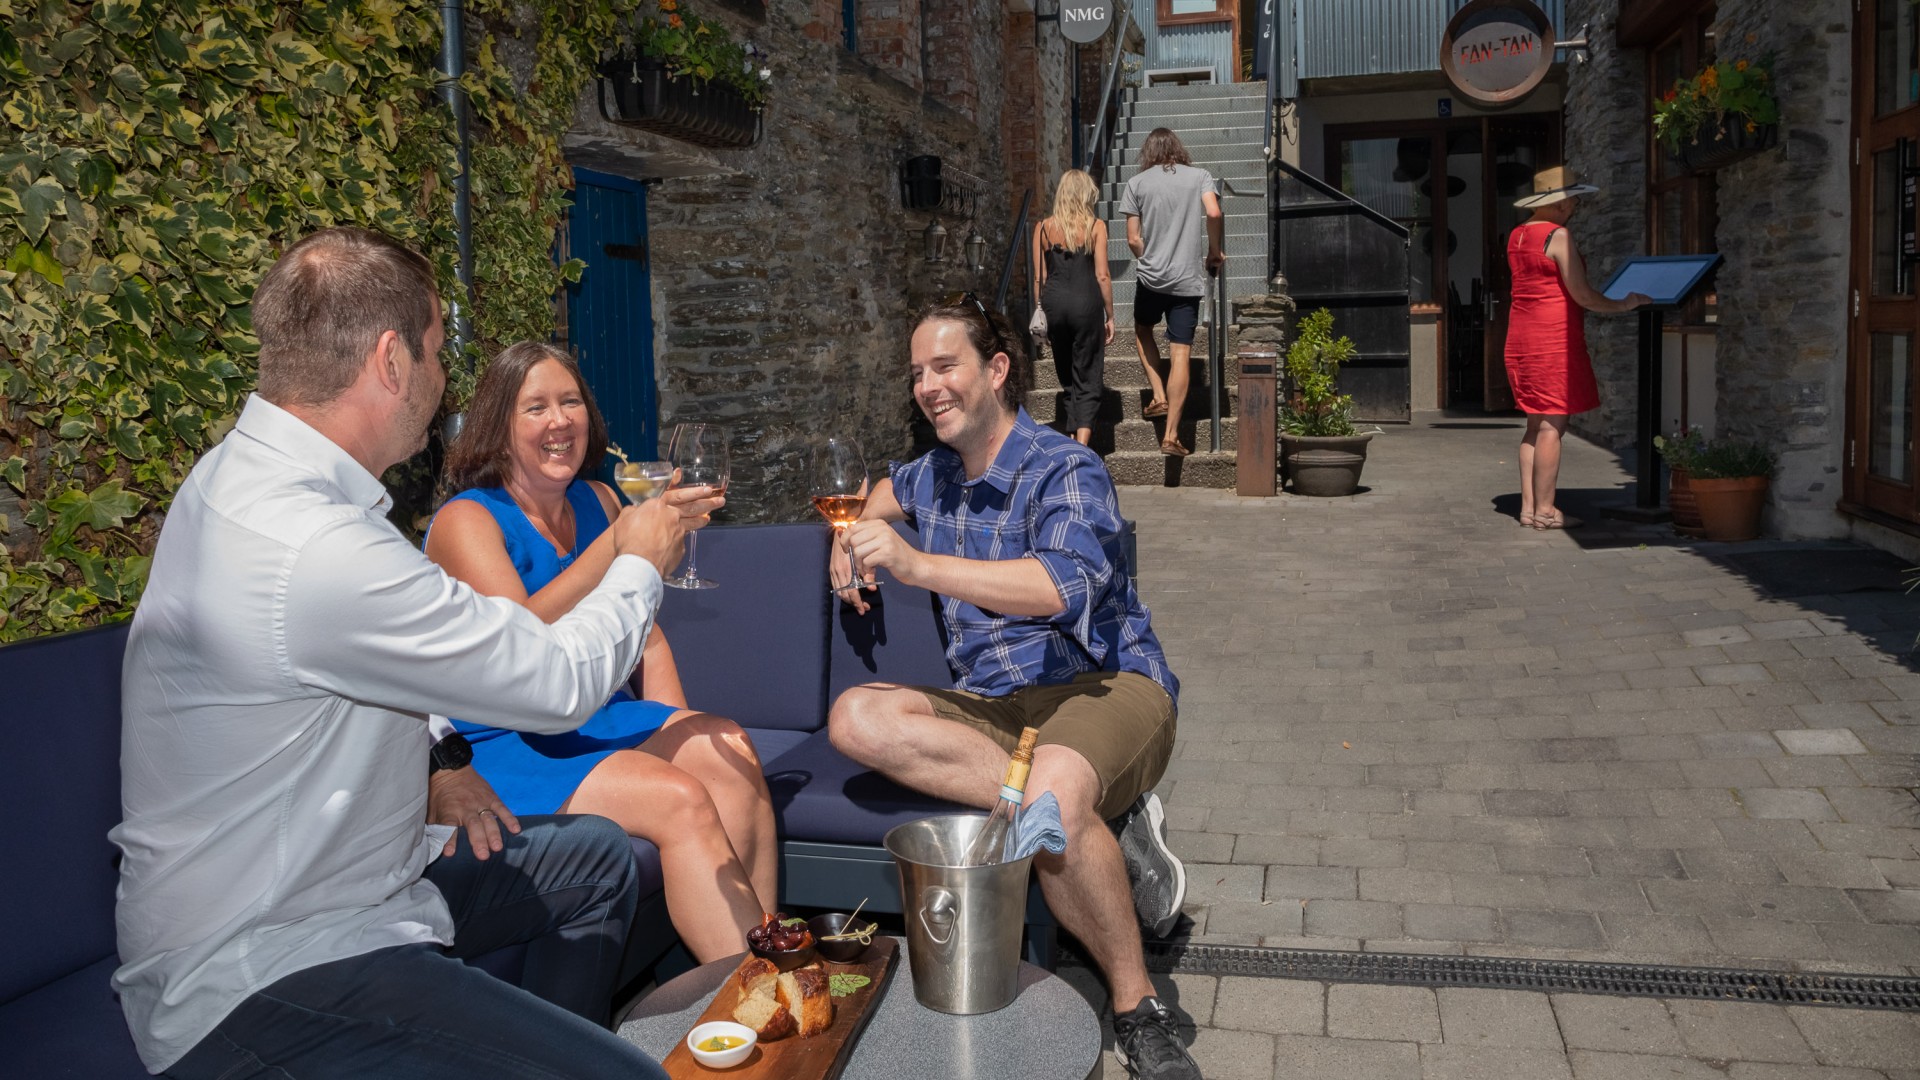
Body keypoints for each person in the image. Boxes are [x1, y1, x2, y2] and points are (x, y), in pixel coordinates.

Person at [111, 226, 722, 1079]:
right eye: (437, 353)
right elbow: (553, 684)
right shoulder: (310, 543)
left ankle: (536, 1047)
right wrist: (637, 560)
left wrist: (441, 754)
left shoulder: (248, 481)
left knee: (597, 858)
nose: (444, 384)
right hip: (270, 963)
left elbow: (343, 663)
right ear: (391, 361)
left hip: (375, 887)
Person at [827, 297, 1199, 1080]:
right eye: (918, 372)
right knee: (856, 717)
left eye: (945, 366)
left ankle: (1135, 1007)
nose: (928, 386)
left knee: (1051, 804)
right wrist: (845, 536)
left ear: (996, 370)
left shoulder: (1067, 466)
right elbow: (867, 498)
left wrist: (916, 564)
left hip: (1103, 686)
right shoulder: (928, 474)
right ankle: (1109, 825)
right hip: (997, 709)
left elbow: (1058, 585)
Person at [424, 341, 777, 963]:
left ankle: (768, 949)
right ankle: (753, 991)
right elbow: (519, 642)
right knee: (679, 796)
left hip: (596, 713)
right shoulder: (467, 521)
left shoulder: (600, 500)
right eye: (536, 407)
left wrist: (672, 727)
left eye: (570, 402)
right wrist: (620, 546)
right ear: (500, 429)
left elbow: (647, 632)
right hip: (507, 736)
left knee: (731, 752)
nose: (560, 420)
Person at [1505, 166, 1651, 529]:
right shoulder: (1558, 235)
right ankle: (1546, 511)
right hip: (1552, 339)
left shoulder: (1517, 235)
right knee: (1553, 424)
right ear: (1560, 202)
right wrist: (1624, 303)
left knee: (1533, 424)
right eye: (1573, 201)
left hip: (1521, 337)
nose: (1574, 207)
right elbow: (1582, 294)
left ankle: (1527, 508)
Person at [1120, 127, 1224, 457]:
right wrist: (1214, 251)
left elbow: (1133, 239)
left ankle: (1158, 395)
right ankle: (1171, 436)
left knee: (1141, 329)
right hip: (1186, 279)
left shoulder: (1137, 183)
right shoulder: (1200, 176)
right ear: (1178, 149)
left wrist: (1149, 259)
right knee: (1181, 353)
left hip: (1151, 278)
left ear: (1148, 152)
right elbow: (1214, 212)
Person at [1032, 168, 1115, 446]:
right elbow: (1102, 275)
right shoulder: (1095, 227)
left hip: (1054, 305)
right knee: (1088, 373)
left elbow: (1038, 278)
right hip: (1086, 304)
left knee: (1067, 375)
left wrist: (1040, 314)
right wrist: (1111, 315)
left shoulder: (1043, 228)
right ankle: (1081, 445)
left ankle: (1071, 435)